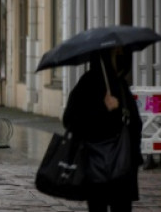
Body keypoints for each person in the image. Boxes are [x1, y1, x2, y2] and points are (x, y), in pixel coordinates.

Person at [62, 47, 143, 212]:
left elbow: (135, 124)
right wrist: (101, 109)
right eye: (117, 54)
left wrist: (120, 110)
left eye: (122, 54)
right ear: (106, 57)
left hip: (122, 167)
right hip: (96, 165)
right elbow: (70, 119)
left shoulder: (120, 85)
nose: (121, 58)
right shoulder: (88, 83)